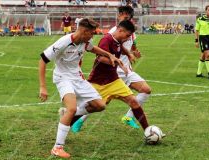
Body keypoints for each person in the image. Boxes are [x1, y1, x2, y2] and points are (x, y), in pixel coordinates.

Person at [39, 18, 124, 158]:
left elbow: (93, 48)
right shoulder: (63, 42)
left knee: (100, 105)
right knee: (71, 108)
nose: (93, 36)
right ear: (84, 31)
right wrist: (43, 87)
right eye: (92, 33)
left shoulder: (85, 41)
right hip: (63, 78)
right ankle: (57, 147)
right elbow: (43, 60)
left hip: (78, 78)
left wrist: (110, 55)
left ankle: (68, 114)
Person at [69, 20, 150, 134]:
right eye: (127, 35)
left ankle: (148, 130)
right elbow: (100, 58)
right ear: (120, 30)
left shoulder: (118, 41)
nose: (127, 39)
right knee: (87, 108)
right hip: (98, 82)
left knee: (133, 101)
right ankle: (66, 125)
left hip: (113, 80)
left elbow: (120, 48)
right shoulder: (106, 40)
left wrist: (129, 54)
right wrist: (119, 63)